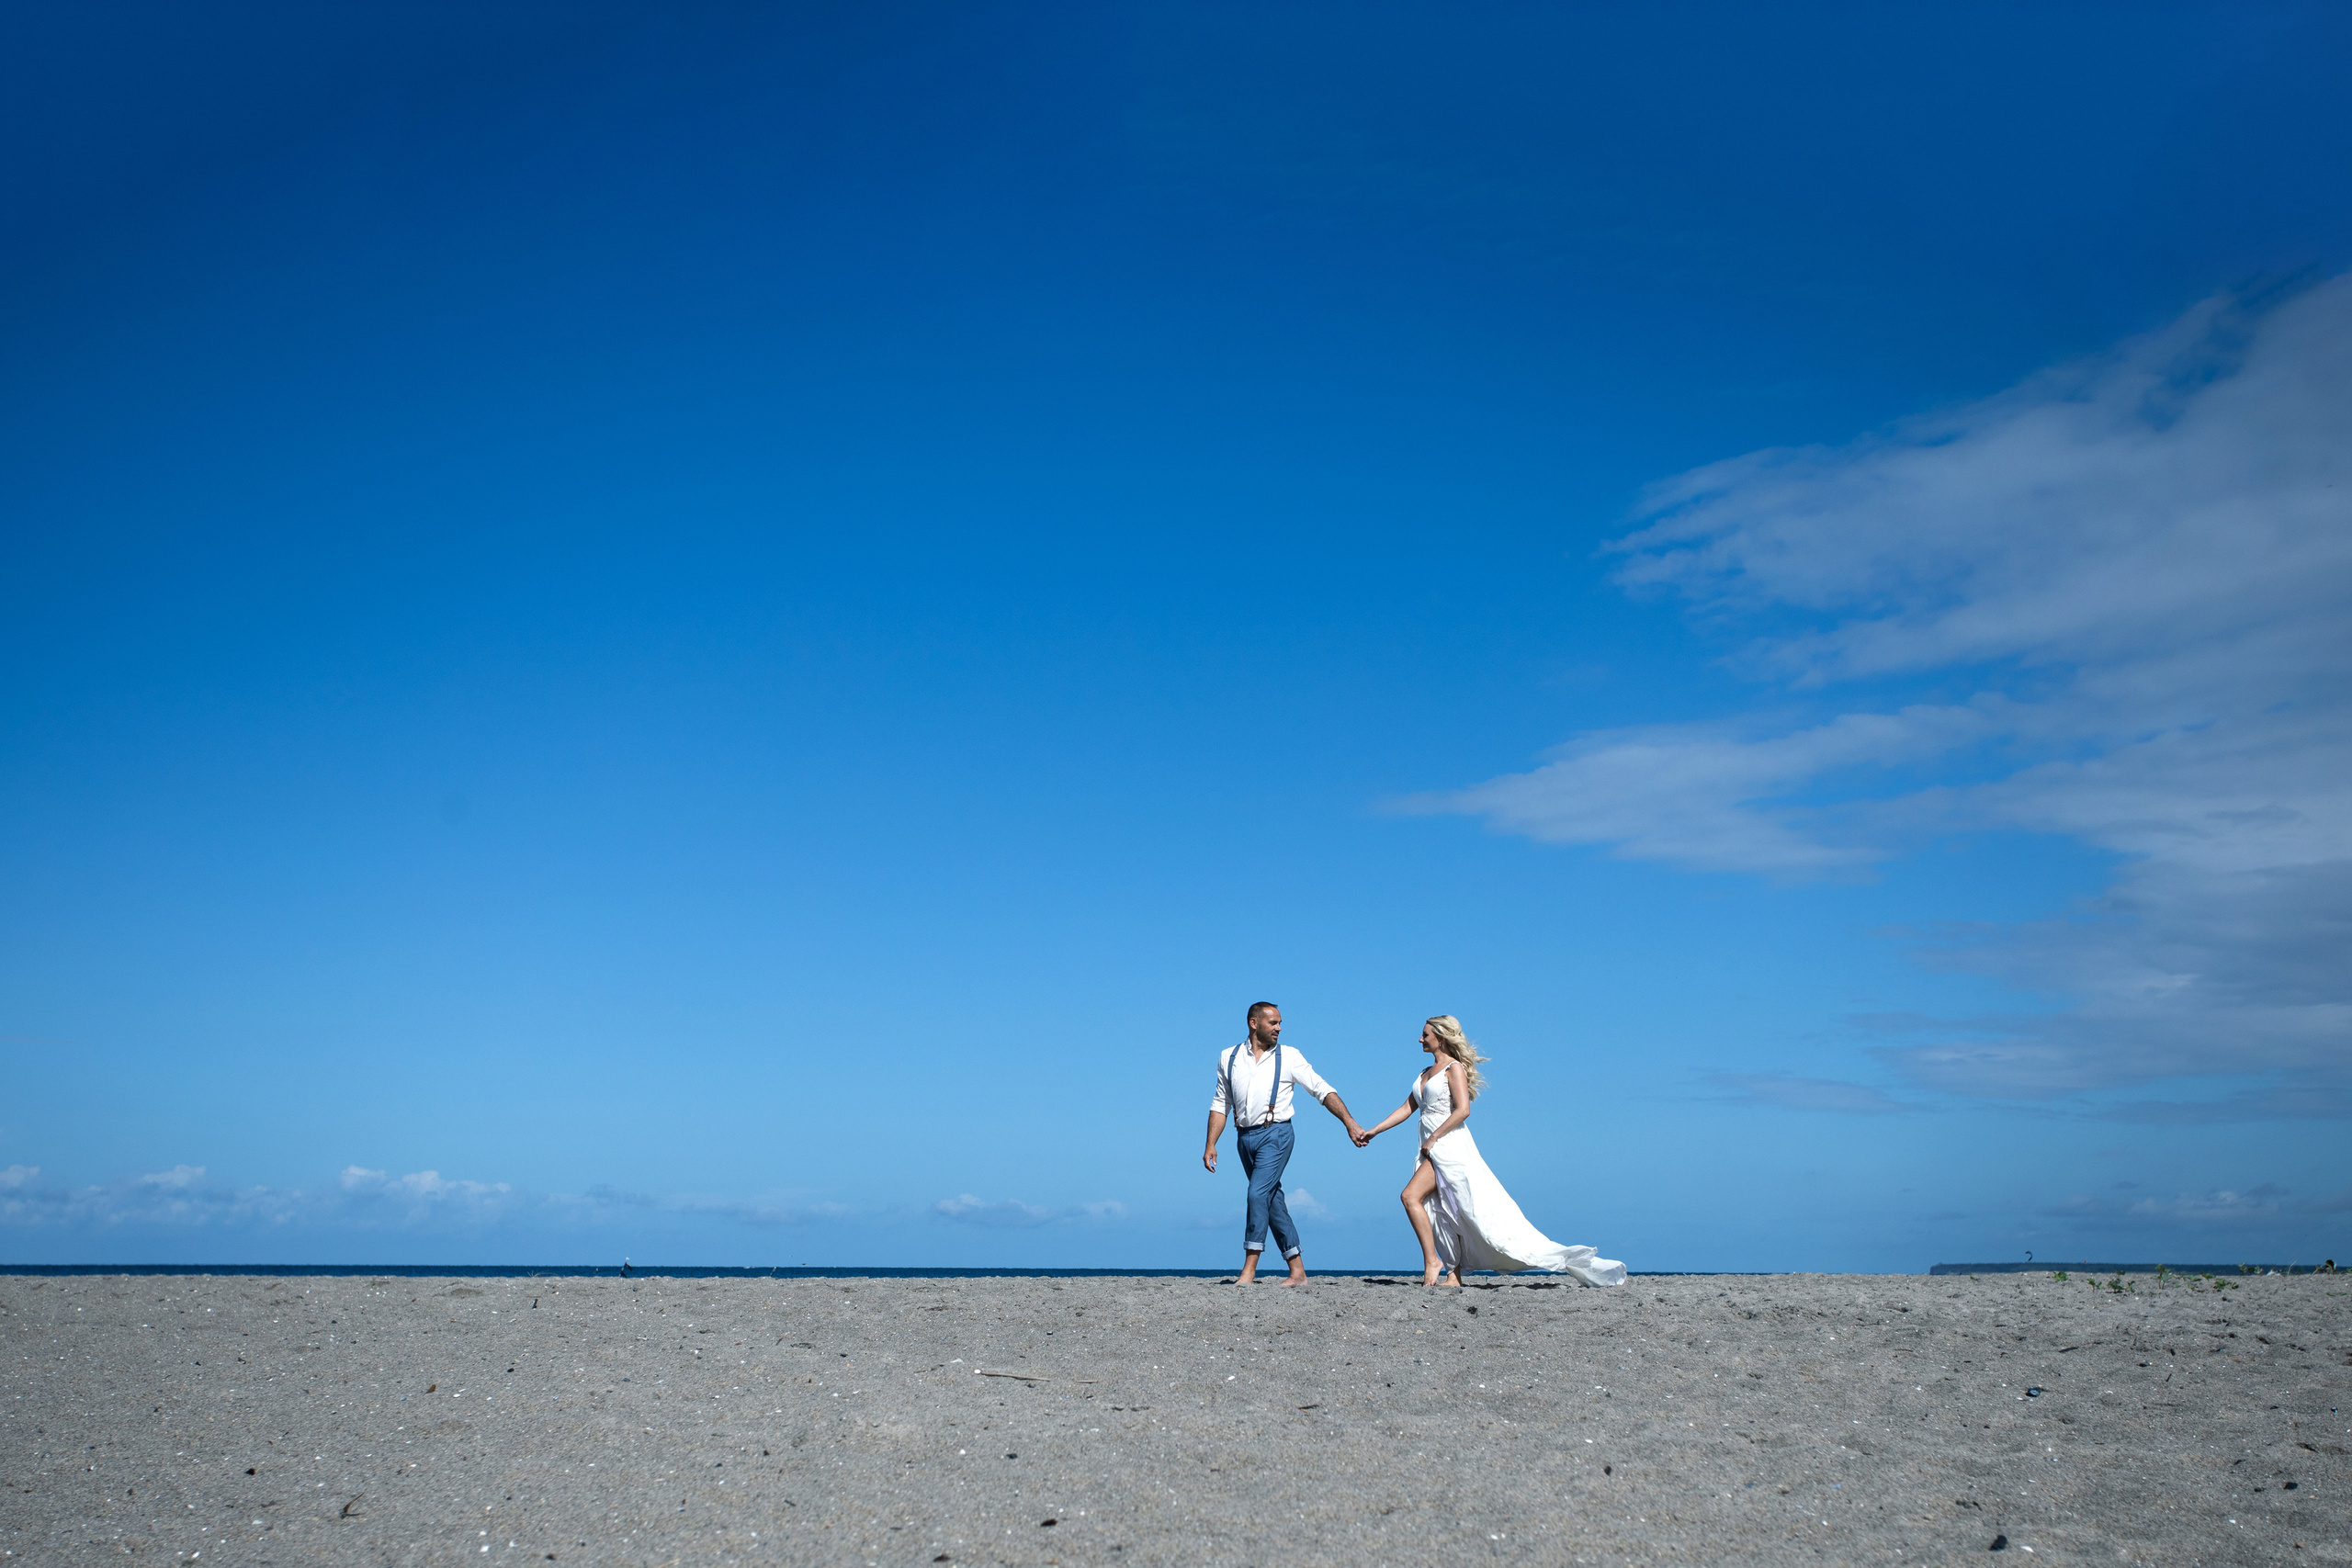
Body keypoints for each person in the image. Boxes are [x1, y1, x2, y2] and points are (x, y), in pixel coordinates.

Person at [1358, 1014, 1625, 1288]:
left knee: (1410, 1196)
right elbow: (1407, 1108)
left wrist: (1435, 1137)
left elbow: (1463, 1110)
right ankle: (1453, 1275)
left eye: (1425, 1034)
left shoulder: (1454, 1069)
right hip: (1429, 1147)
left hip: (1448, 1146)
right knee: (1447, 1211)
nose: (1420, 1039)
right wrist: (1375, 1130)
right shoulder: (1424, 1073)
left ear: (1441, 1037)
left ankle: (1432, 1261)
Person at [1203, 1001, 1370, 1285]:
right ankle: (1298, 1271)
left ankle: (1249, 1269)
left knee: (1256, 1195)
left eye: (1280, 1023)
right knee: (1271, 1200)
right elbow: (1221, 1103)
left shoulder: (1289, 1056)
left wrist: (1350, 1123)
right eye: (1273, 1023)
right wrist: (1210, 1144)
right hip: (1244, 1138)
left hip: (1277, 1134)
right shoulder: (1227, 1057)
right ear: (1254, 1023)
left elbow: (1321, 1089)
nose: (1279, 1028)